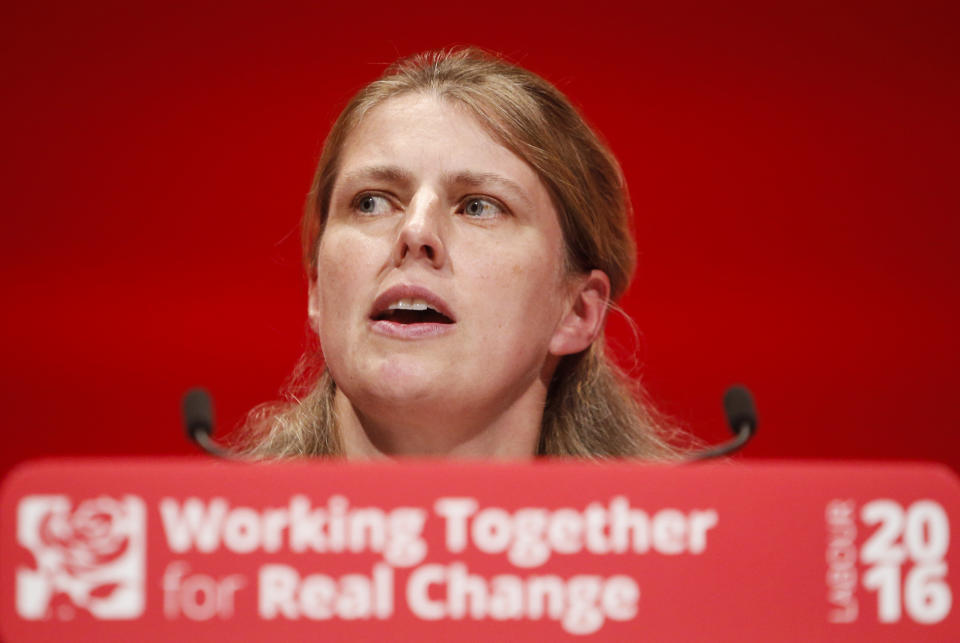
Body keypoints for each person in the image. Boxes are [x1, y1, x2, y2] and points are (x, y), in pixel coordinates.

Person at [239, 48, 688, 460]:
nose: (415, 231)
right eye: (372, 202)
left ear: (577, 311)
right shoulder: (203, 541)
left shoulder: (666, 544)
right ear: (317, 286)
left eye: (478, 206)